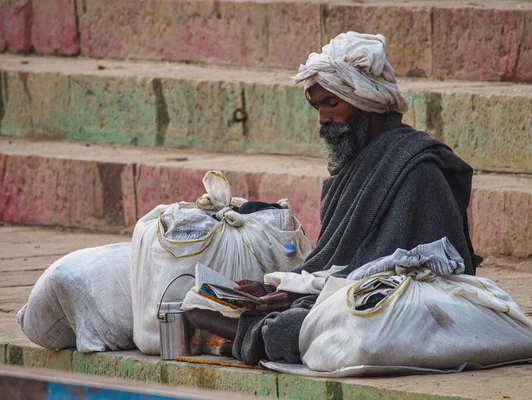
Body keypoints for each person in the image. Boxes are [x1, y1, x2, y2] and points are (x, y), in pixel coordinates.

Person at [186, 31, 482, 365]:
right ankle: (253, 331)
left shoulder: (418, 170)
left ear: (367, 102)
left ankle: (248, 336)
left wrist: (302, 296)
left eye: (332, 103)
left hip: (415, 305)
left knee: (319, 323)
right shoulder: (352, 168)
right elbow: (333, 263)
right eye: (318, 106)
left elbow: (396, 281)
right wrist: (279, 289)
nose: (323, 118)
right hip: (352, 294)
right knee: (275, 309)